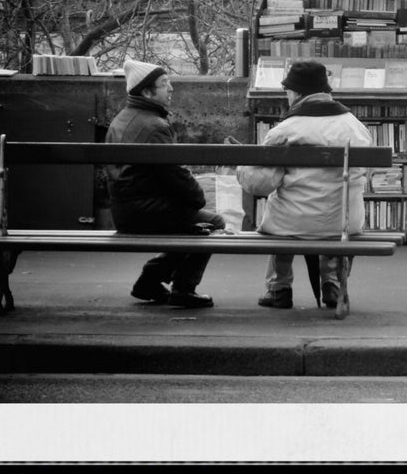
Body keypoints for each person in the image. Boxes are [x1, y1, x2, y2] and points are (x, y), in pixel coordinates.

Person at [236, 60, 373, 310]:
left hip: (293, 223)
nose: (287, 97)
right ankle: (333, 282)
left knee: (281, 210)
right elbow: (363, 174)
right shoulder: (356, 126)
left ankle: (279, 288)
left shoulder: (287, 129)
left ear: (297, 93)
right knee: (335, 205)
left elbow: (261, 185)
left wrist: (241, 167)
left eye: (287, 92)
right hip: (345, 223)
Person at [105, 58, 225, 308]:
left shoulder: (121, 119)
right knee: (212, 223)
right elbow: (175, 174)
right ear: (147, 91)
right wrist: (198, 199)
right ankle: (182, 288)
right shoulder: (155, 126)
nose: (171, 88)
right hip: (144, 212)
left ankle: (150, 281)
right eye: (164, 83)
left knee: (194, 224)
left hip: (126, 209)